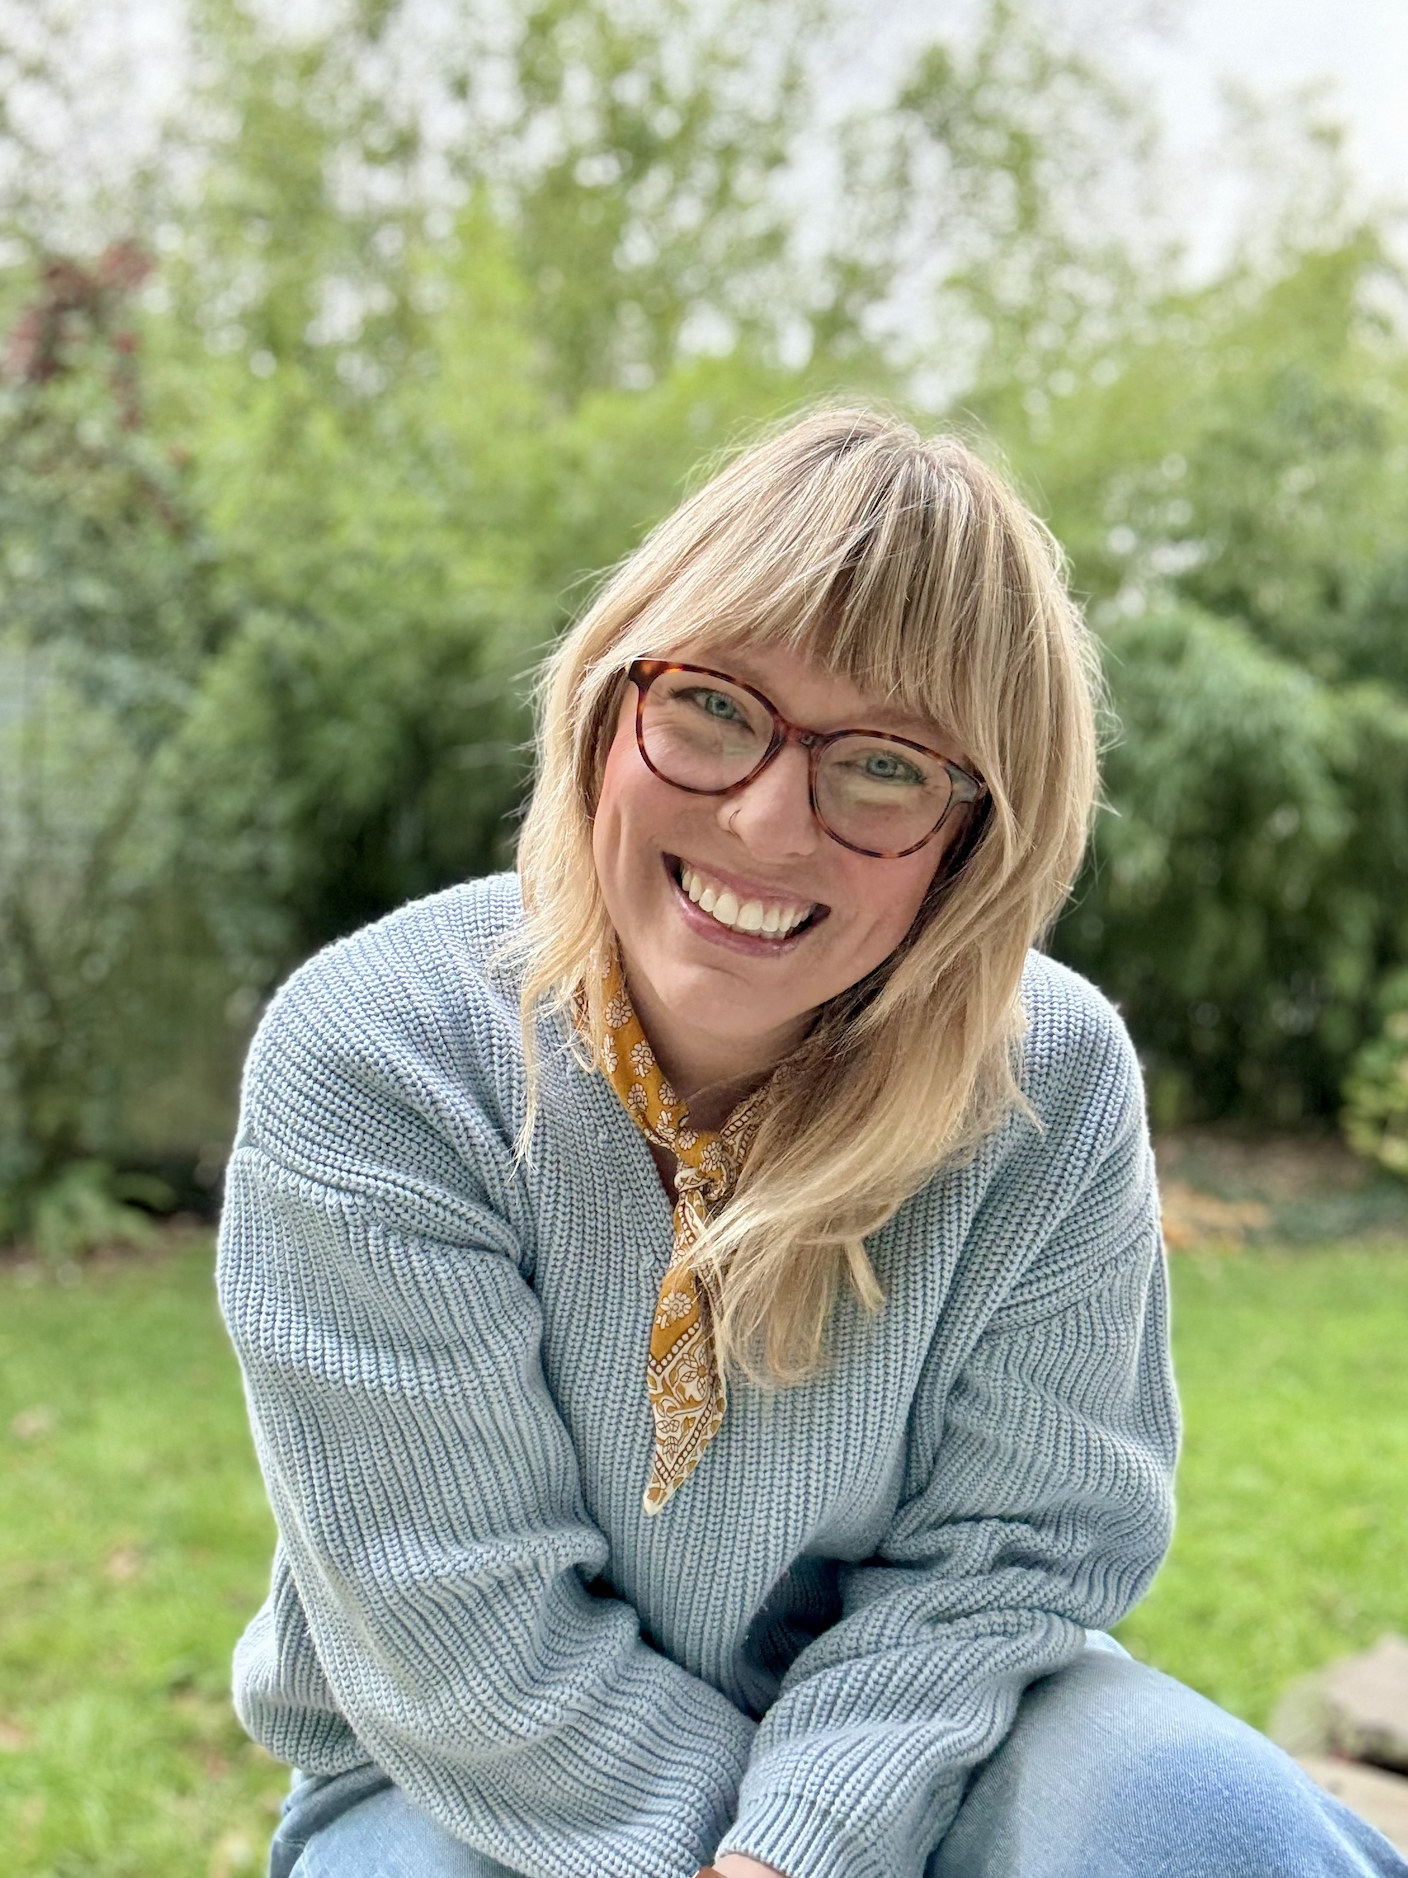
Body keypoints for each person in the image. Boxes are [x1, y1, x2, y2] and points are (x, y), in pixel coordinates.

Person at [218, 408, 1406, 1878]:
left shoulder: (1051, 1081)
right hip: (466, 1779)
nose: (770, 823)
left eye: (886, 765)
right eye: (713, 705)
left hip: (929, 1744)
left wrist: (808, 1842)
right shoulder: (380, 1053)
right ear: (607, 709)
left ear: (977, 836)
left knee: (1198, 1815)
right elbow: (459, 1632)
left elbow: (1014, 1550)